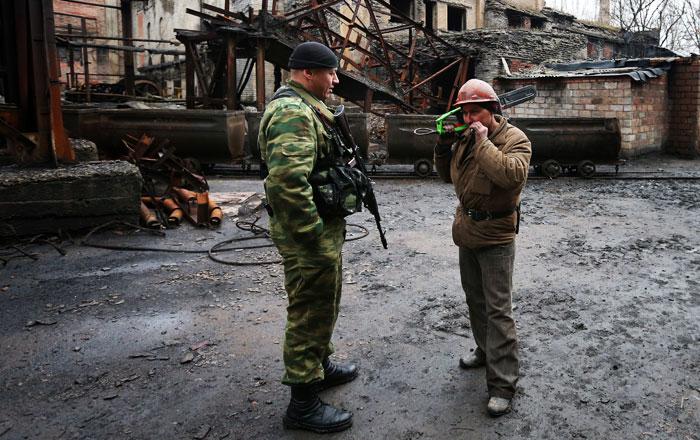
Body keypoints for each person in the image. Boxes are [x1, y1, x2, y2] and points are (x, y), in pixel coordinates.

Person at [258, 41, 358, 433]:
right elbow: (285, 182)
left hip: (321, 229)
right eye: (330, 73)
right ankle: (302, 402)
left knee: (324, 301)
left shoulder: (307, 107)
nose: (335, 80)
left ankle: (320, 365)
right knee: (308, 311)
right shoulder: (292, 112)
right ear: (307, 73)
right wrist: (311, 234)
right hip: (308, 235)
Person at [433, 78, 531, 416]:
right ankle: (484, 350)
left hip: (496, 237)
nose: (469, 117)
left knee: (499, 310)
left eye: (476, 111)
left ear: (492, 110)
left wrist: (483, 142)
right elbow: (447, 177)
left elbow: (510, 176)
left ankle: (503, 384)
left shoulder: (515, 139)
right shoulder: (464, 136)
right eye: (465, 112)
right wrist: (444, 145)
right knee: (475, 300)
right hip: (468, 231)